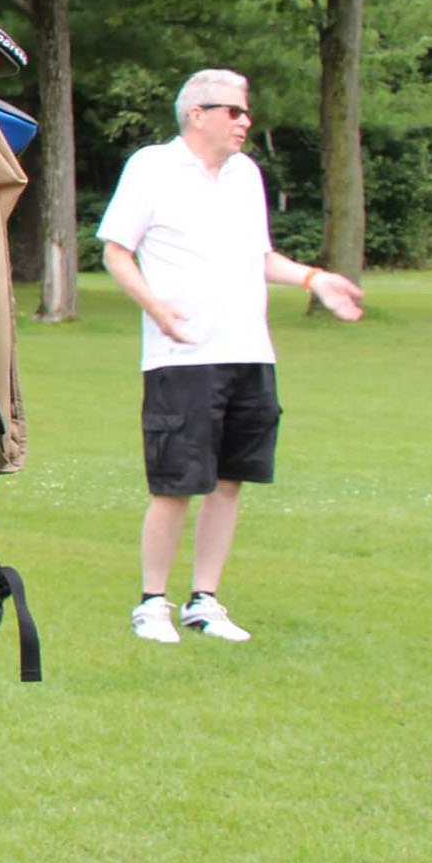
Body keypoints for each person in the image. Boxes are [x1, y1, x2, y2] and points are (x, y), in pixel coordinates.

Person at [97, 68, 364, 644]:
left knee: (229, 481)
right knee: (174, 483)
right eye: (235, 112)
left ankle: (205, 601)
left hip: (249, 351)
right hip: (182, 356)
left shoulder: (245, 175)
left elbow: (260, 258)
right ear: (198, 114)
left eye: (246, 112)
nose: (246, 122)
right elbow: (117, 252)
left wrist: (314, 279)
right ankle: (152, 603)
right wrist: (157, 308)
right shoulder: (152, 167)